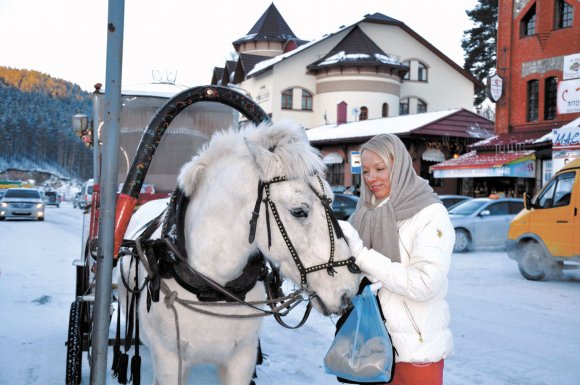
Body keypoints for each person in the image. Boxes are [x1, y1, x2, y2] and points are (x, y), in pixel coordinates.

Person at [339, 133, 455, 385]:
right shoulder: (363, 215)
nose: (371, 178)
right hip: (370, 347)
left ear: (399, 166)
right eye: (366, 171)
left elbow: (425, 284)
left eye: (380, 169)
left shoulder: (429, 214)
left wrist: (361, 255)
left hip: (414, 353)